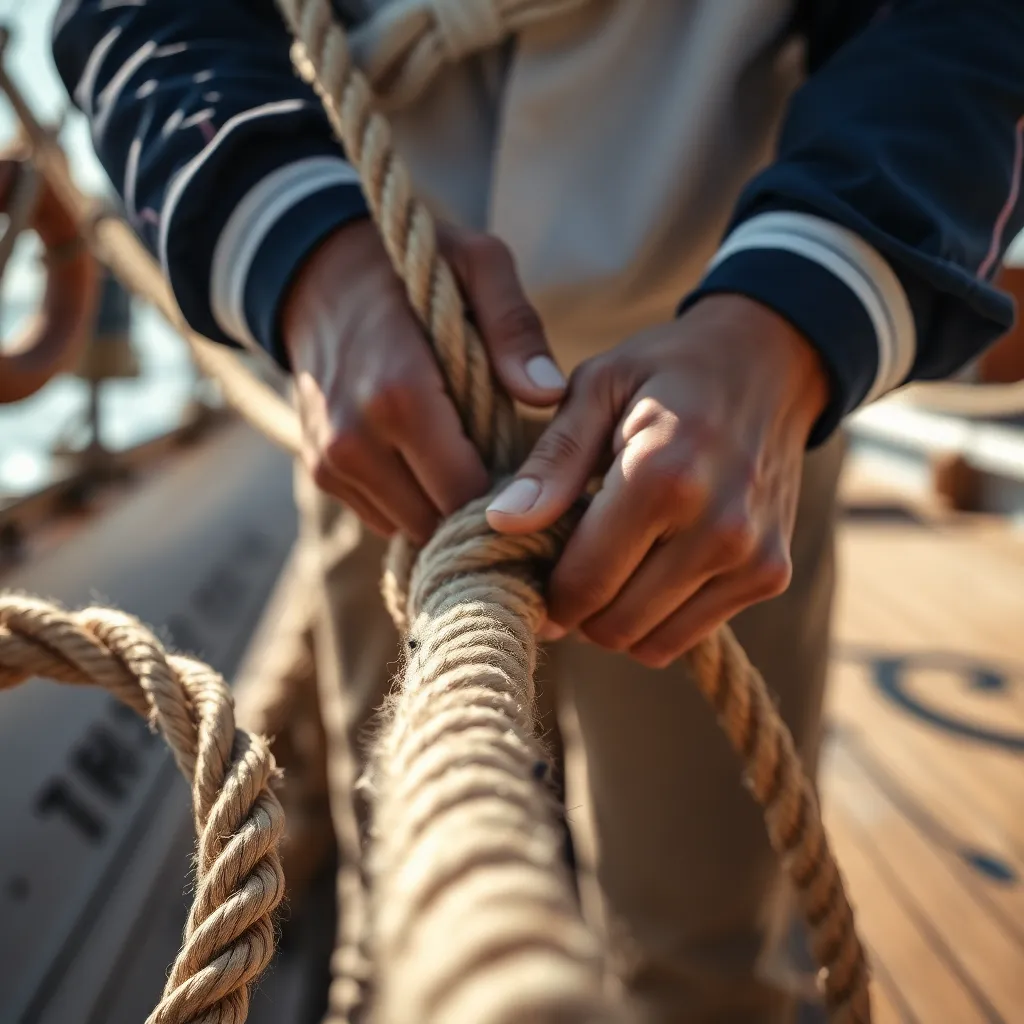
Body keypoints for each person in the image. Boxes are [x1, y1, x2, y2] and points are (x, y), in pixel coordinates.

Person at [52, 1, 1024, 1021]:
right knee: (405, 898)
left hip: (719, 421)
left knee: (708, 957)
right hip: (378, 397)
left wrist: (789, 320)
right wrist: (302, 253)